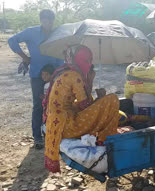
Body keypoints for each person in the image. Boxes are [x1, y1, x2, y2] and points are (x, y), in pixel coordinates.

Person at [44, 45, 119, 173]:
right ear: (77, 60)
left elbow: (80, 103)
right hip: (67, 126)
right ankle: (104, 138)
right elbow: (85, 105)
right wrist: (95, 88)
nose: (89, 64)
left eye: (90, 60)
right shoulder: (75, 76)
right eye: (86, 60)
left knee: (86, 105)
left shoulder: (64, 72)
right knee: (112, 99)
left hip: (57, 124)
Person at [8, 9, 63, 149]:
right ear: (41, 20)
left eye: (50, 20)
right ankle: (37, 137)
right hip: (37, 74)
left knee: (55, 103)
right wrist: (25, 58)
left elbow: (62, 52)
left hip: (55, 74)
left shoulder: (58, 33)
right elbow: (12, 40)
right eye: (45, 20)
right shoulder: (31, 32)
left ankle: (51, 132)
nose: (48, 23)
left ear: (53, 21)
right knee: (38, 105)